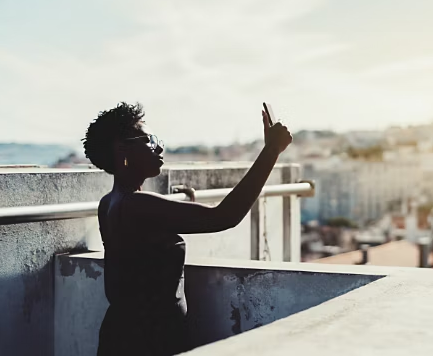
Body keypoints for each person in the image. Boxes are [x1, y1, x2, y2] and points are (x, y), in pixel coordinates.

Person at [82, 102, 292, 355]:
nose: (159, 146)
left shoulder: (110, 203)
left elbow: (143, 243)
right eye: (148, 141)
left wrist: (184, 206)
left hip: (125, 335)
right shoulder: (136, 206)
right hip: (148, 341)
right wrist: (271, 151)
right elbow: (225, 217)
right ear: (122, 149)